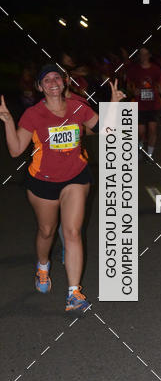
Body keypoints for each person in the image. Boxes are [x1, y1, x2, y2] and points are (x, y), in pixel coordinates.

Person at [0, 65, 124, 311]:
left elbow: (108, 131)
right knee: (47, 231)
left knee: (72, 232)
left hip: (75, 177)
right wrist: (8, 120)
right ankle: (43, 266)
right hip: (42, 182)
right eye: (46, 79)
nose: (52, 82)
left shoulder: (78, 107)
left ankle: (74, 294)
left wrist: (114, 103)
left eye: (56, 77)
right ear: (39, 87)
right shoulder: (33, 114)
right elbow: (15, 150)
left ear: (64, 82)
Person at [126, 47, 161, 160]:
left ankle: (150, 154)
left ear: (149, 55)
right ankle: (139, 148)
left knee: (152, 130)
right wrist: (133, 90)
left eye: (146, 54)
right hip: (139, 105)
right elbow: (128, 84)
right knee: (140, 132)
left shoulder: (156, 69)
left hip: (153, 105)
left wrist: (159, 89)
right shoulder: (134, 70)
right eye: (141, 54)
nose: (144, 56)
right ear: (139, 56)